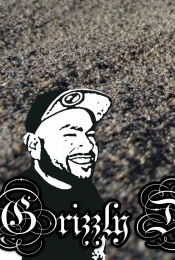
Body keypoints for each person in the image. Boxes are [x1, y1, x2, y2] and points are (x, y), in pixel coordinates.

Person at [19, 88, 111, 260]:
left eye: (89, 134)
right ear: (34, 145)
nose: (87, 145)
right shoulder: (20, 204)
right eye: (70, 134)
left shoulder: (89, 195)